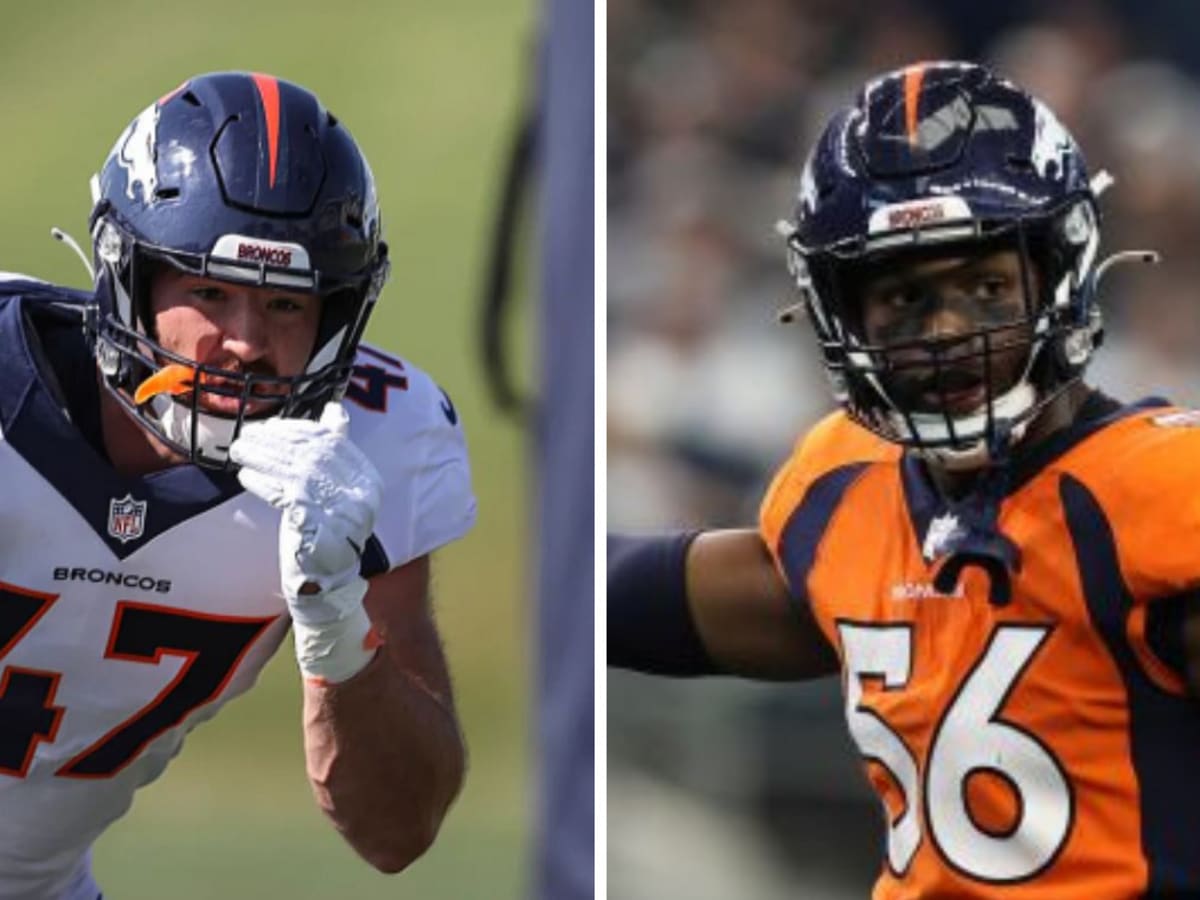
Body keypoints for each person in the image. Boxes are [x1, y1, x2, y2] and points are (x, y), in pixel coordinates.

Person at [610, 60, 1200, 897]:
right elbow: (636, 594)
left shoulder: (1157, 491)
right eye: (904, 300)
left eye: (988, 286)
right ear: (840, 310)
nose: (950, 332)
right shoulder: (844, 485)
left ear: (1058, 272)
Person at [0, 71, 475, 899]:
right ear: (128, 276)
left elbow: (399, 830)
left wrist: (337, 618)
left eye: (286, 306)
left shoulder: (372, 447)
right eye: (210, 293)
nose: (245, 344)